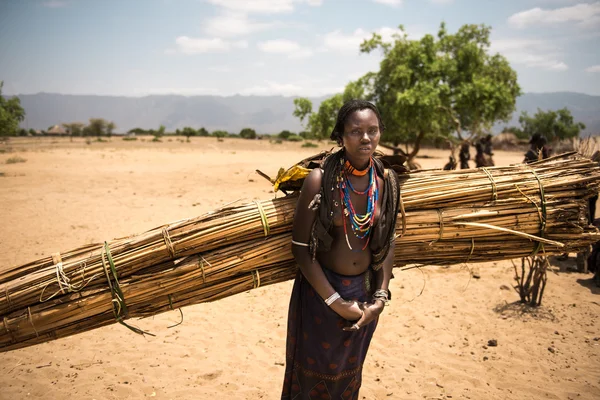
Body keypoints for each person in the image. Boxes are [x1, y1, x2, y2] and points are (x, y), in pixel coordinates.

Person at [281, 100, 400, 398]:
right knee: (311, 378)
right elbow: (300, 248)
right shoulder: (320, 180)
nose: (366, 138)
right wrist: (335, 301)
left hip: (364, 296)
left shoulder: (385, 181)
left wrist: (380, 298)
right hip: (321, 294)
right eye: (355, 131)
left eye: (373, 131)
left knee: (348, 379)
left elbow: (388, 243)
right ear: (340, 136)